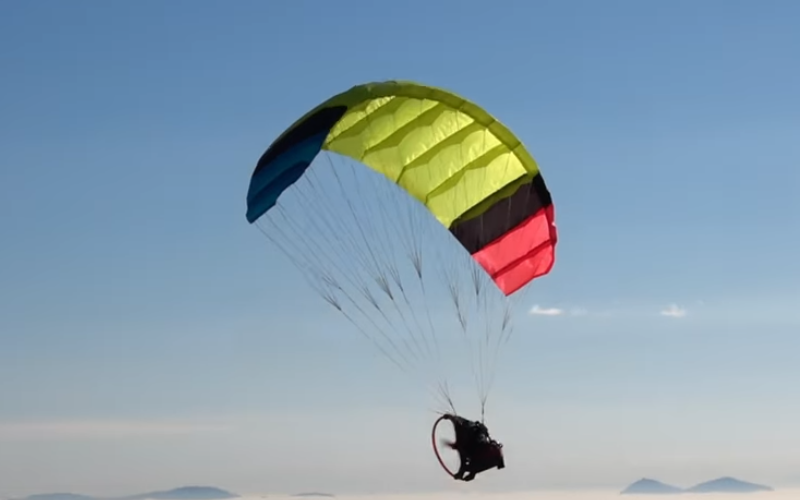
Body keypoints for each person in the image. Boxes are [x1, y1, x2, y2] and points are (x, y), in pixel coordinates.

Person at [440, 413, 505, 481]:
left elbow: (465, 462)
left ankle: (471, 472)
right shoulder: (472, 429)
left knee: (469, 466)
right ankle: (471, 472)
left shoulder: (463, 443)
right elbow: (456, 419)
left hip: (490, 456)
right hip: (495, 454)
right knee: (471, 465)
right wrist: (450, 417)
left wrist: (462, 473)